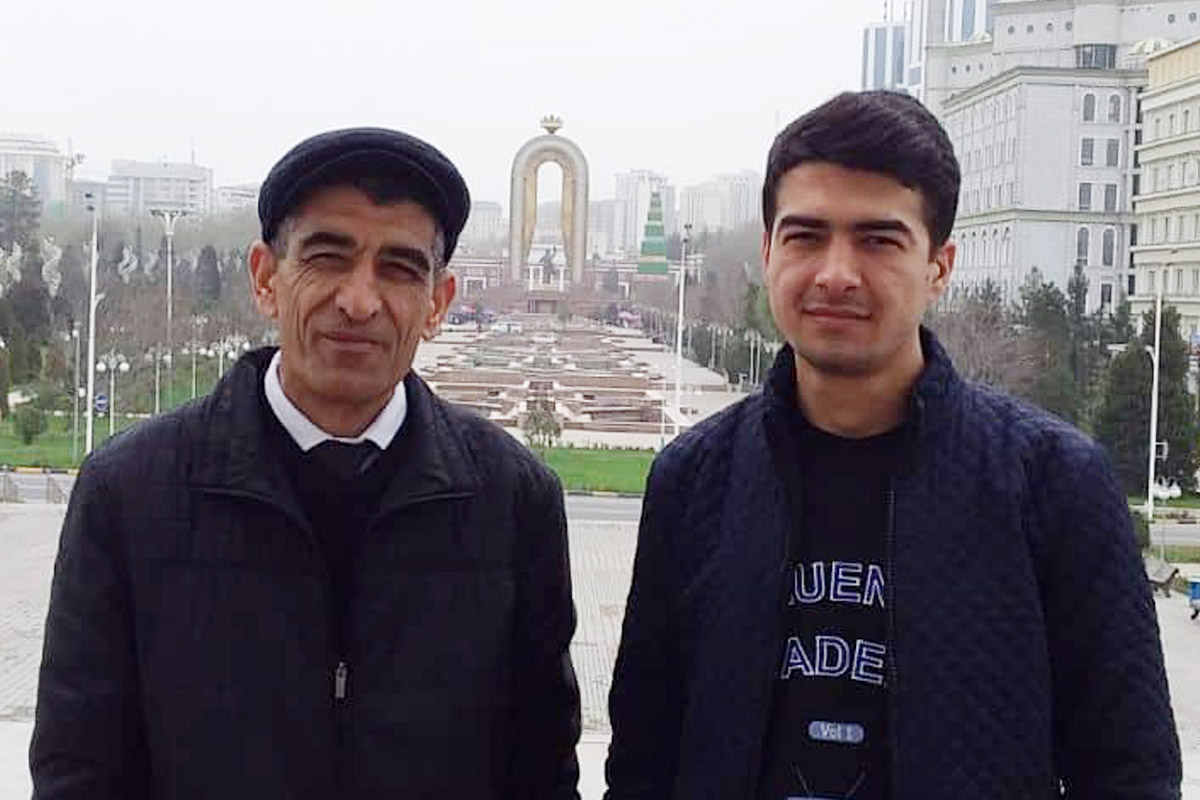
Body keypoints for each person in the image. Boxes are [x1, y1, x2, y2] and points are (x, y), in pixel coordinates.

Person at [604, 91, 1180, 799]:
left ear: (939, 266)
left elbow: (1129, 770)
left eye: (878, 240)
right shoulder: (695, 479)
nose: (835, 273)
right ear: (769, 252)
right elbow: (643, 760)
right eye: (806, 236)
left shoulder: (1053, 484)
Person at [31, 128, 581, 799]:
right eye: (327, 257)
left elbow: (541, 771)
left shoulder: (512, 501)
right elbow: (81, 771)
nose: (359, 301)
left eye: (399, 269)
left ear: (438, 303)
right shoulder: (130, 494)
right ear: (267, 278)